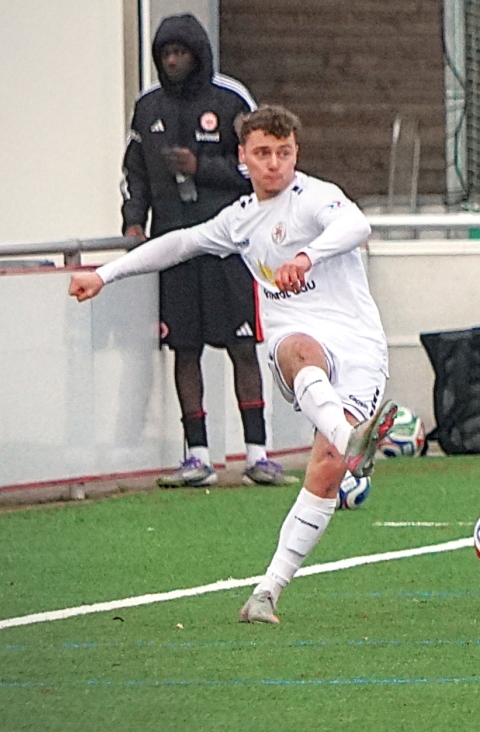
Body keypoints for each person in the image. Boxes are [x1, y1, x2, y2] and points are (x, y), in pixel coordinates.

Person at [72, 105, 399, 625]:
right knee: (297, 351)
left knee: (327, 470)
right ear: (242, 157)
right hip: (299, 338)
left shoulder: (314, 198)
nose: (275, 163)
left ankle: (265, 592)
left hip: (358, 344)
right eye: (263, 153)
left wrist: (305, 258)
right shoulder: (241, 218)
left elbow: (355, 225)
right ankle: (349, 436)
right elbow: (179, 243)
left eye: (284, 152)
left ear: (296, 153)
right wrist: (106, 274)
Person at [123, 14, 286, 488]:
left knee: (241, 346)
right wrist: (134, 219)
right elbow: (134, 171)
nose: (173, 61)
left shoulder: (230, 101)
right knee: (184, 348)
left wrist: (202, 167)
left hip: (229, 248)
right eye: (165, 54)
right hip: (173, 247)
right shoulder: (147, 108)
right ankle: (197, 455)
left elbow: (259, 170)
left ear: (198, 55)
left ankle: (257, 453)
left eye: (181, 52)